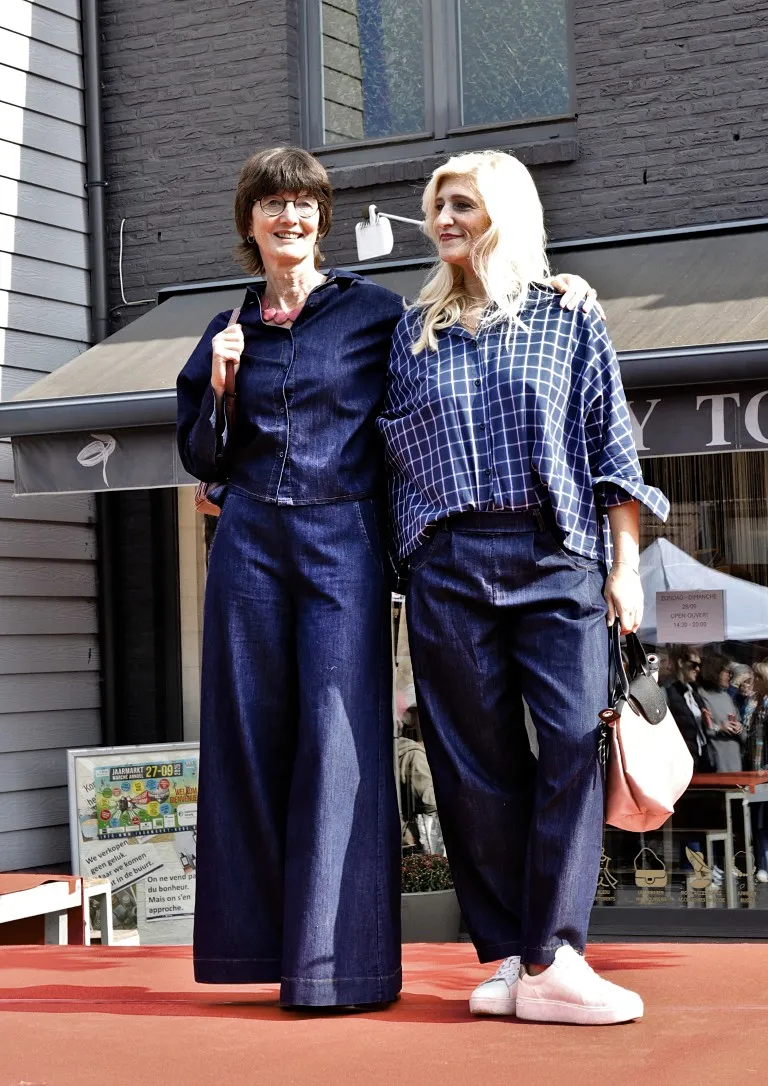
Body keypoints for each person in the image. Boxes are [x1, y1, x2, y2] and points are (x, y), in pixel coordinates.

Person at [176, 146, 599, 1009]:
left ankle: (340, 970)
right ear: (248, 223)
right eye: (272, 206)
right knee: (246, 738)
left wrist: (564, 287)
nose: (288, 218)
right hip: (251, 536)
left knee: (339, 742)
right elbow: (203, 457)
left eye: (303, 205)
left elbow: (470, 334)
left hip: (345, 537)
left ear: (323, 219)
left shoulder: (379, 316)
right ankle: (250, 953)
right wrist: (220, 383)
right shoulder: (224, 329)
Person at [379, 150, 669, 1026]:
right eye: (437, 207)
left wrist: (623, 571)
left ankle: (557, 953)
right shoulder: (411, 329)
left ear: (502, 212)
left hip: (554, 557)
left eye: (462, 203)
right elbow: (376, 451)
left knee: (572, 752)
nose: (445, 220)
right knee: (472, 770)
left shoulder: (567, 313)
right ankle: (508, 956)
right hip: (447, 565)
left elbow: (611, 447)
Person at [665, 649, 715, 771]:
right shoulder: (667, 691)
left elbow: (706, 728)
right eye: (694, 664)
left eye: (700, 665)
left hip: (701, 758)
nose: (698, 669)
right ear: (681, 663)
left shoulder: (694, 693)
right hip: (681, 761)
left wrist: (708, 722)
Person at [698, 654, 746, 772]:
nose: (730, 676)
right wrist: (719, 728)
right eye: (727, 672)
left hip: (735, 762)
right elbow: (699, 730)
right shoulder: (700, 695)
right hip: (716, 762)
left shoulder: (726, 696)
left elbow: (740, 726)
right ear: (715, 671)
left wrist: (740, 728)